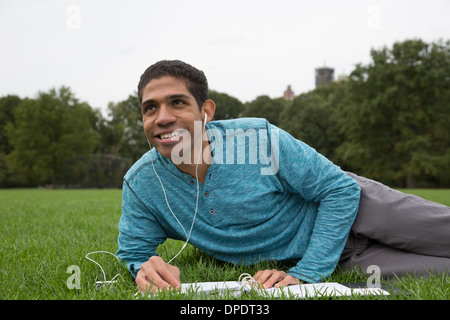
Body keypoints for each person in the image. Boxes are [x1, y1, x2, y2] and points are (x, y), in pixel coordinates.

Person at [116, 60, 450, 293]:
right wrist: (145, 268)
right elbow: (134, 252)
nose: (163, 118)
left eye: (177, 103)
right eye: (150, 108)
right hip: (336, 258)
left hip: (363, 209)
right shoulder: (141, 183)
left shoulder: (257, 138)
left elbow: (339, 190)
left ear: (206, 112)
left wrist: (306, 275)